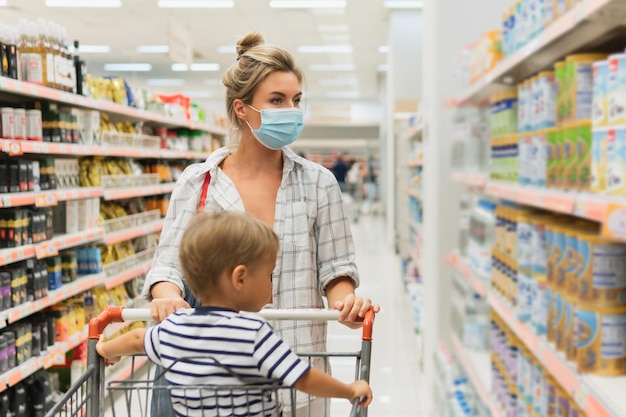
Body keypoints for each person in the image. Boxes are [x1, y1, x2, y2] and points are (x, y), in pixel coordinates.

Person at [142, 31, 379, 416]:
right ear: (242, 109)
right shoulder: (199, 183)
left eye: (296, 100)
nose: (292, 110)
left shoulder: (319, 182)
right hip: (219, 391)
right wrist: (167, 295)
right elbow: (167, 265)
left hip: (300, 376)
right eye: (277, 100)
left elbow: (335, 269)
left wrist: (345, 302)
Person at [98, 212, 372, 417]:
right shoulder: (253, 333)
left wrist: (107, 350)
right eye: (268, 275)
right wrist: (348, 391)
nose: (271, 287)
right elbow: (302, 377)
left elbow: (136, 339)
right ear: (240, 278)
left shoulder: (174, 327)